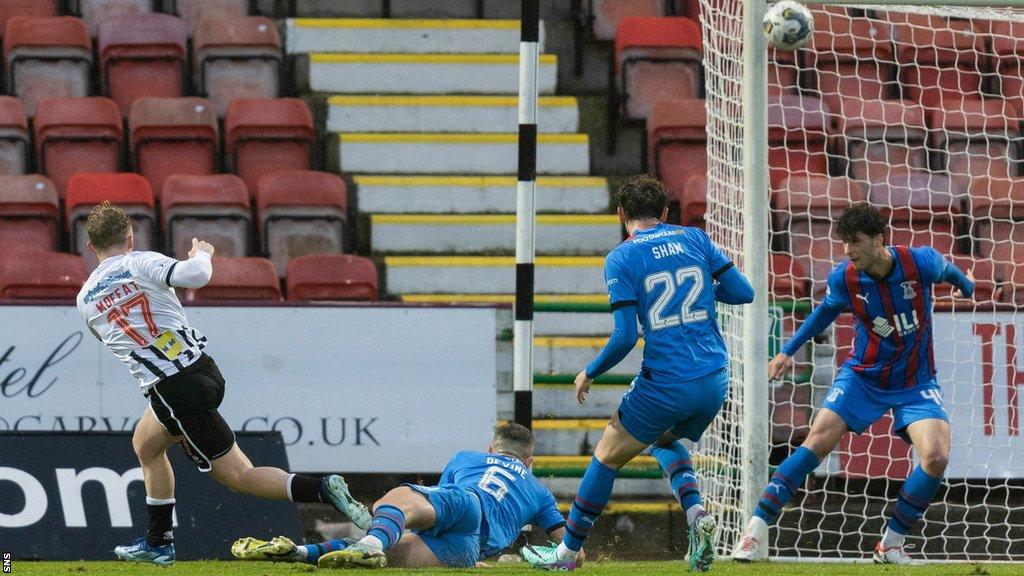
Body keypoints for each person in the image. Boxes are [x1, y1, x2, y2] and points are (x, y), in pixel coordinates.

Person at [75, 202, 371, 566]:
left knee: (239, 476)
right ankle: (158, 541)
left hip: (172, 390)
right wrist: (201, 252)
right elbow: (196, 276)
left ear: (90, 246)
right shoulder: (141, 262)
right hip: (204, 370)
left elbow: (113, 339)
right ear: (129, 237)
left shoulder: (86, 299)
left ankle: (322, 489)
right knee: (146, 444)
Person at [519, 175, 754, 572]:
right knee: (663, 441)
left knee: (607, 456)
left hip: (667, 382)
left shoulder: (622, 257)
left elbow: (626, 336)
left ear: (621, 214)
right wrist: (703, 292)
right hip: (715, 378)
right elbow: (744, 291)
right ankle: (697, 515)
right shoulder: (695, 239)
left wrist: (589, 371)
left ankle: (566, 554)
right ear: (665, 213)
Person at [731, 203, 974, 565]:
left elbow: (949, 271)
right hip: (863, 376)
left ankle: (890, 544)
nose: (847, 250)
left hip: (914, 381)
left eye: (855, 241)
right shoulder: (844, 278)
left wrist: (966, 286)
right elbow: (822, 314)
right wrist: (787, 351)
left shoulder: (918, 263)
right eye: (843, 242)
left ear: (879, 240)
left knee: (936, 457)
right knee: (816, 441)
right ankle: (752, 533)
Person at [232, 423, 575, 569]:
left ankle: (367, 541)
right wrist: (543, 558)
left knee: (395, 501)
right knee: (388, 558)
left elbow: (441, 501)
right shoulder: (540, 492)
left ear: (492, 449)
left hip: (468, 503)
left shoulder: (468, 458)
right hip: (467, 551)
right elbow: (571, 553)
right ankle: (300, 553)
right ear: (529, 461)